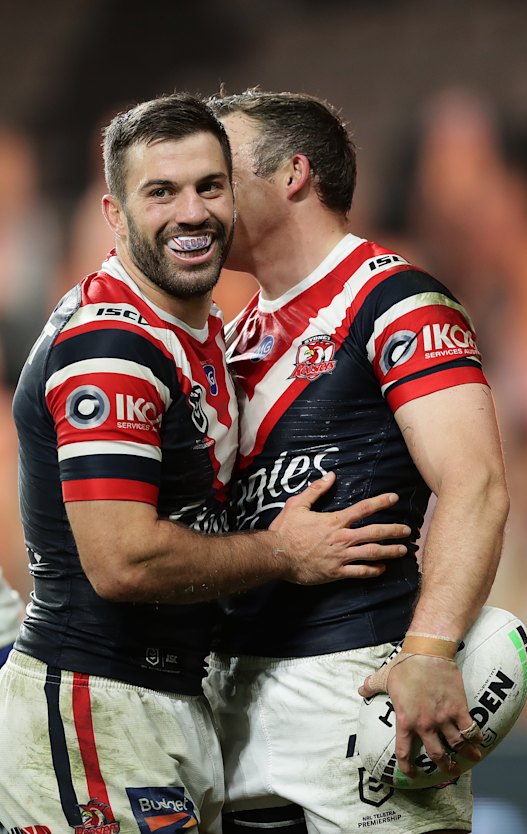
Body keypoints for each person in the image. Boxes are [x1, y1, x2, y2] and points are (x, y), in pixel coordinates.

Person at [0, 93, 410, 834]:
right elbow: (121, 561)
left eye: (209, 187)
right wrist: (282, 553)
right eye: (160, 192)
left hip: (168, 701)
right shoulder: (112, 349)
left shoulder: (202, 333)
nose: (191, 212)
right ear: (115, 216)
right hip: (101, 701)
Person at [202, 89, 510, 834]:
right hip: (233, 713)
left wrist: (431, 653)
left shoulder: (396, 300)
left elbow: (475, 484)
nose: (200, 198)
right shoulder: (227, 333)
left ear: (293, 174)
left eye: (219, 175)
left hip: (358, 688)